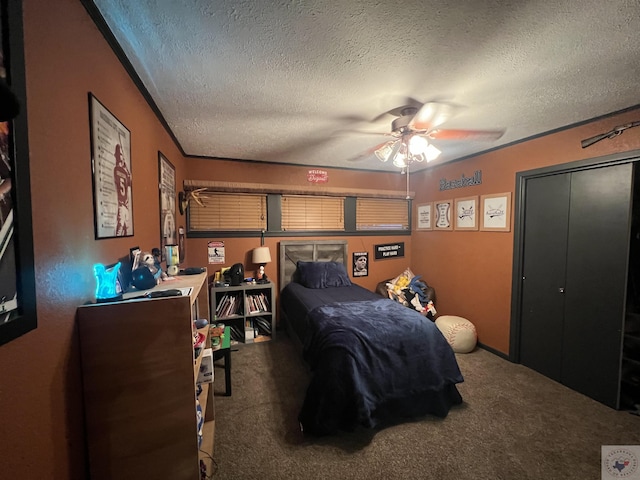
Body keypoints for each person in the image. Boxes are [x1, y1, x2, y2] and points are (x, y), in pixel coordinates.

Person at [113, 143, 131, 236]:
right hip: (121, 204)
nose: (120, 156)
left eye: (121, 154)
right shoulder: (117, 169)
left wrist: (126, 168)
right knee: (120, 228)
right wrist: (126, 169)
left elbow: (130, 182)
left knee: (126, 229)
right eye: (119, 153)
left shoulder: (121, 170)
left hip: (126, 206)